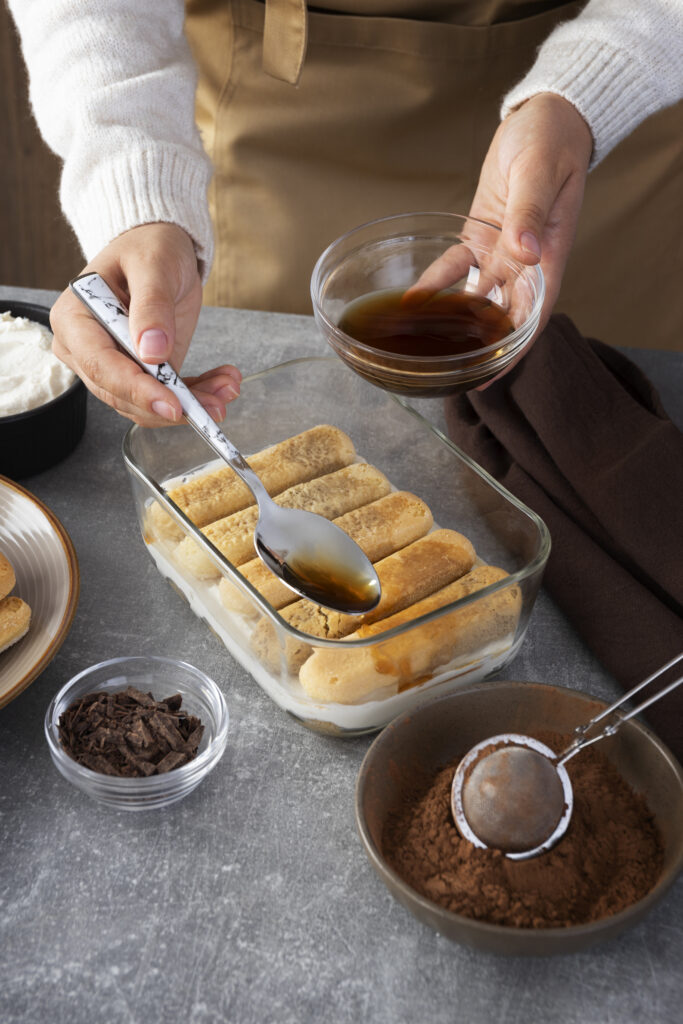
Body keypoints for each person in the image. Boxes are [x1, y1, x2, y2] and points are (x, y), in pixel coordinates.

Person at [7, 0, 683, 428]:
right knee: (286, 406)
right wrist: (136, 190)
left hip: (605, 112)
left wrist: (588, 92)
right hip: (284, 107)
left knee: (599, 415)